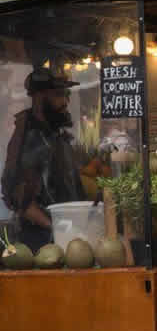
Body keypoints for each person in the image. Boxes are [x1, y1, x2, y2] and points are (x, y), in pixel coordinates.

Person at [1, 68, 86, 252]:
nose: (65, 102)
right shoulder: (31, 139)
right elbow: (22, 201)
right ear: (39, 98)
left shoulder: (54, 135)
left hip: (65, 238)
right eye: (58, 95)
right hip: (41, 243)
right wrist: (57, 228)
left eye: (66, 95)